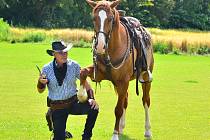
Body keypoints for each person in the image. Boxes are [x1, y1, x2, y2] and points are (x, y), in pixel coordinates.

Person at [37, 41, 99, 140]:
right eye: (61, 52)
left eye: (66, 52)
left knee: (94, 108)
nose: (64, 55)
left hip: (73, 103)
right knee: (59, 138)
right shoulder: (46, 69)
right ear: (54, 54)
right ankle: (56, 125)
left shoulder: (74, 65)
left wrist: (92, 98)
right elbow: (40, 90)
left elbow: (85, 83)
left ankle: (86, 137)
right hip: (58, 107)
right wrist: (40, 82)